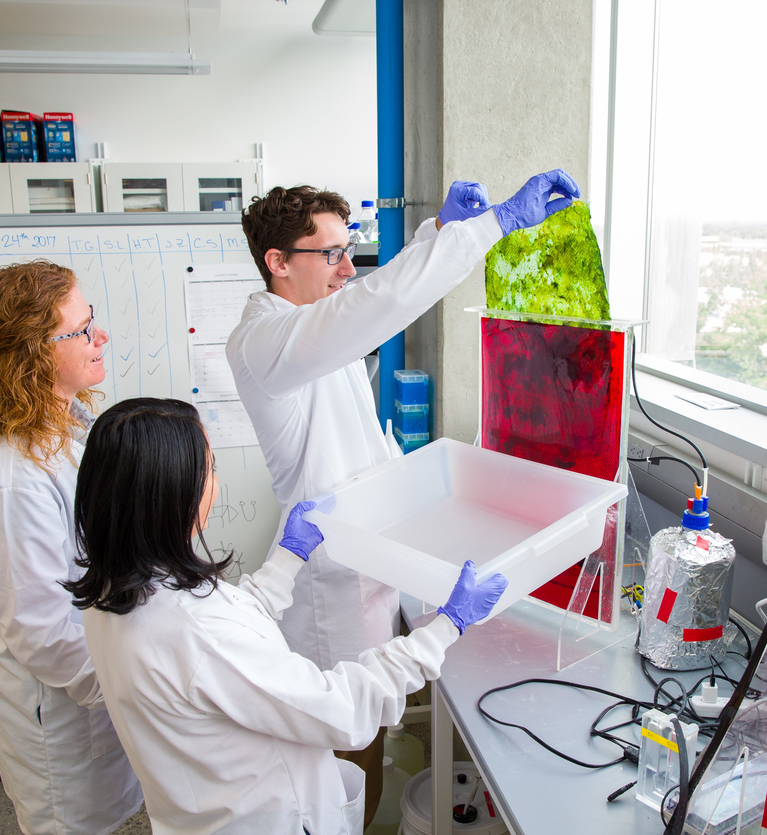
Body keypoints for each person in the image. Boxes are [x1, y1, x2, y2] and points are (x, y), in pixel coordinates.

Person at [227, 170, 579, 819]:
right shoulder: (267, 341)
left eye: (348, 250)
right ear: (277, 263)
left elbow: (370, 299)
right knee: (346, 749)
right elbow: (373, 306)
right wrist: (485, 228)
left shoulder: (309, 322)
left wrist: (438, 233)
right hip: (330, 587)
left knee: (371, 736)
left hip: (371, 560)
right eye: (330, 254)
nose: (346, 269)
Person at [67, 397, 507, 835]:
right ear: (174, 495)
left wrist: (289, 557)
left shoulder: (113, 592)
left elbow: (235, 627)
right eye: (211, 469)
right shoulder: (197, 634)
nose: (216, 484)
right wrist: (445, 628)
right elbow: (342, 710)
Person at [0, 262, 144, 834]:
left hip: (92, 669)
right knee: (70, 822)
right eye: (81, 330)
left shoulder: (62, 424)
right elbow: (42, 630)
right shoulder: (13, 480)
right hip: (56, 701)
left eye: (92, 321)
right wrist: (135, 694)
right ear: (27, 355)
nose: (99, 337)